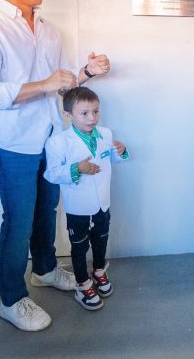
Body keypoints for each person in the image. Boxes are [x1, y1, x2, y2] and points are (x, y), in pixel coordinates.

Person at [0, 0, 111, 331]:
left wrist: (86, 73)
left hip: (51, 141)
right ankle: (11, 299)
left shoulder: (48, 30)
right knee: (19, 220)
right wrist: (44, 83)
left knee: (47, 212)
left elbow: (60, 85)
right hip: (11, 144)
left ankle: (44, 270)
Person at [43, 87, 129, 311]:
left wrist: (120, 151)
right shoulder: (58, 142)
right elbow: (51, 174)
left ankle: (99, 271)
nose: (92, 118)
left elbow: (110, 160)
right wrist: (77, 169)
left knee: (101, 241)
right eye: (84, 113)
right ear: (68, 115)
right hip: (78, 208)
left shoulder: (105, 134)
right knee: (79, 247)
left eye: (96, 111)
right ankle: (83, 284)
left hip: (102, 204)